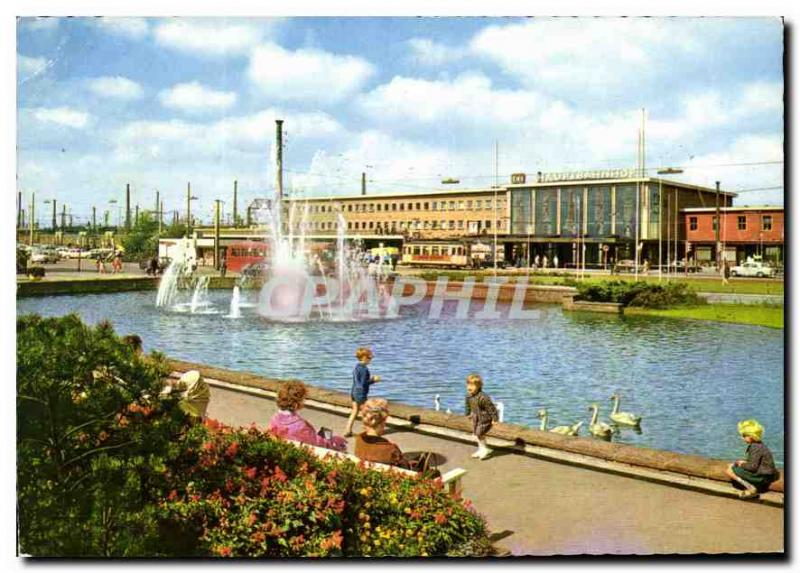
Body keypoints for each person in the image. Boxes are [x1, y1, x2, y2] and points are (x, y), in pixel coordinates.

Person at [268, 381, 347, 451]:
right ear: (296, 404)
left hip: (285, 450)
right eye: (303, 399)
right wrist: (335, 439)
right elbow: (316, 443)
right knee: (337, 440)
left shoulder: (274, 419)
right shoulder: (301, 425)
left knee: (324, 432)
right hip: (305, 454)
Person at [725, 419, 779, 499]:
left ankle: (751, 488)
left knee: (729, 470)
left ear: (751, 436)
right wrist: (743, 462)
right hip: (768, 474)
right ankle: (753, 486)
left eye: (744, 436)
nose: (742, 438)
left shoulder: (754, 447)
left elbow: (752, 467)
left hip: (763, 476)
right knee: (734, 465)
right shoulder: (760, 445)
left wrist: (741, 464)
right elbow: (756, 462)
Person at [344, 347, 380, 437]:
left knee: (354, 411)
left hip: (353, 392)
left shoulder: (356, 367)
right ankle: (369, 432)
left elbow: (357, 381)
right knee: (367, 412)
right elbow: (364, 383)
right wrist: (373, 380)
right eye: (369, 357)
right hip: (361, 393)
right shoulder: (364, 369)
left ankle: (348, 430)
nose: (370, 360)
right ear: (364, 357)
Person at [465, 373, 499, 460]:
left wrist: (495, 419)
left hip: (485, 418)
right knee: (478, 434)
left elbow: (491, 408)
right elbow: (468, 406)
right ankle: (481, 449)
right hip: (476, 417)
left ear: (479, 386)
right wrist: (468, 413)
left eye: (472, 385)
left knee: (480, 433)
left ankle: (484, 450)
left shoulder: (484, 397)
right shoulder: (468, 396)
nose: (469, 387)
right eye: (468, 384)